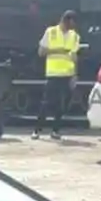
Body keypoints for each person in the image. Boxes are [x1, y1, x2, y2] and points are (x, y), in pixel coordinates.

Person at [35, 9, 80, 140]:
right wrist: (58, 50)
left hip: (67, 74)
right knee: (47, 103)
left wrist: (75, 75)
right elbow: (41, 52)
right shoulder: (51, 32)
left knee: (62, 104)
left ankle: (55, 130)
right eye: (71, 23)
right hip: (53, 73)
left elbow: (74, 57)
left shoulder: (74, 36)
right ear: (66, 20)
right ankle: (37, 129)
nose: (72, 26)